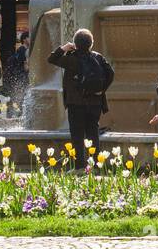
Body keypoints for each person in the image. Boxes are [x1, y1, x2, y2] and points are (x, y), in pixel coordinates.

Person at [48, 29, 115, 166]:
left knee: (77, 135)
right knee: (93, 134)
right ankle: (96, 165)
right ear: (91, 43)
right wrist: (101, 91)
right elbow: (111, 73)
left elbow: (52, 59)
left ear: (75, 43)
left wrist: (64, 47)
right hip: (95, 103)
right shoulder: (98, 57)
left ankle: (79, 166)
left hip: (75, 102)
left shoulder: (71, 58)